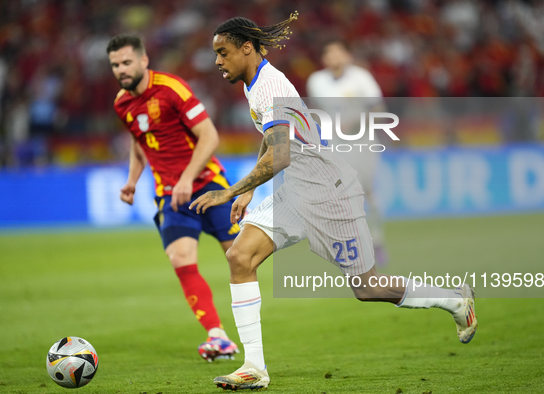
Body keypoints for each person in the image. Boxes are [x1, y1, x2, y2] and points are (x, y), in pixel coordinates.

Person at [190, 13, 477, 390]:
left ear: (246, 48)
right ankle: (254, 368)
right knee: (239, 257)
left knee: (367, 288)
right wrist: (247, 191)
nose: (217, 61)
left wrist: (230, 190)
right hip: (295, 192)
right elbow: (273, 138)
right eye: (215, 54)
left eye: (223, 52)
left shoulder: (270, 86)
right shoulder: (254, 83)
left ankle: (455, 302)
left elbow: (280, 155)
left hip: (329, 192)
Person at [107, 34, 239, 362]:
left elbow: (209, 136)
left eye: (126, 62)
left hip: (209, 186)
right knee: (181, 259)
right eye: (115, 65)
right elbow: (140, 142)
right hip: (172, 195)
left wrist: (187, 178)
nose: (121, 70)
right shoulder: (122, 103)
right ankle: (218, 336)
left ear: (143, 60)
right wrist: (132, 181)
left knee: (241, 258)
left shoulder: (172, 88)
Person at [307, 39, 388, 266]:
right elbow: (318, 111)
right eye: (329, 53)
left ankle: (377, 241)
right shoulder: (317, 81)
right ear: (324, 59)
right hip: (335, 145)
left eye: (338, 52)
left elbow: (378, 109)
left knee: (367, 192)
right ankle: (351, 246)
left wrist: (353, 123)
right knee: (340, 195)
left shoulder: (361, 78)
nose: (334, 57)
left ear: (348, 55)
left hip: (362, 141)